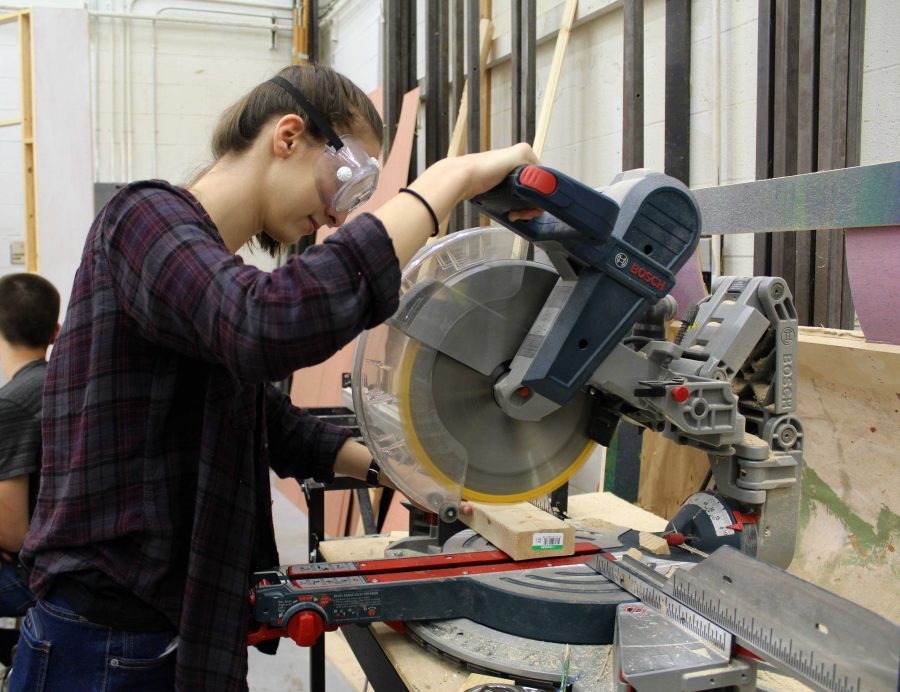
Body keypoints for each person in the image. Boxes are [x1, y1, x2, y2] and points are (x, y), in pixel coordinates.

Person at [11, 63, 539, 691]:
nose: (337, 216)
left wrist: (399, 470)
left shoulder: (200, 269)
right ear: (288, 136)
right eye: (347, 183)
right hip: (105, 643)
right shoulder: (142, 220)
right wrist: (442, 185)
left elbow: (262, 417)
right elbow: (264, 324)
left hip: (166, 630)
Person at [0, 273, 59, 620]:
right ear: (55, 331)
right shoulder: (64, 384)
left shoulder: (11, 404)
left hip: (34, 579)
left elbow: (12, 535)